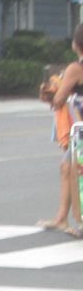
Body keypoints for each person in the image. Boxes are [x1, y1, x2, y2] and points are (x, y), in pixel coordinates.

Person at [38, 25, 83, 237]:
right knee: (66, 167)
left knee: (75, 171)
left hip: (82, 130)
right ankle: (62, 218)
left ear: (75, 44)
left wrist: (48, 94)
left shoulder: (76, 68)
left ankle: (76, 221)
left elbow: (59, 99)